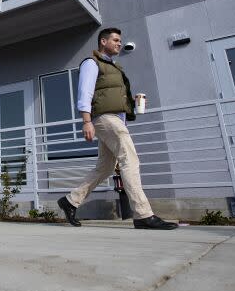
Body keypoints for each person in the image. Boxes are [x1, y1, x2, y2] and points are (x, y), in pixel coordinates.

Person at [57, 27, 177, 230]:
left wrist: (131, 102)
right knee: (129, 159)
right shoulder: (92, 63)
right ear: (103, 42)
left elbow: (109, 95)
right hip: (104, 118)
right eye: (115, 40)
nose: (119, 43)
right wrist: (86, 121)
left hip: (115, 119)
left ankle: (70, 201)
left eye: (120, 41)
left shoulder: (115, 68)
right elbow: (84, 93)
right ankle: (142, 214)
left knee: (105, 167)